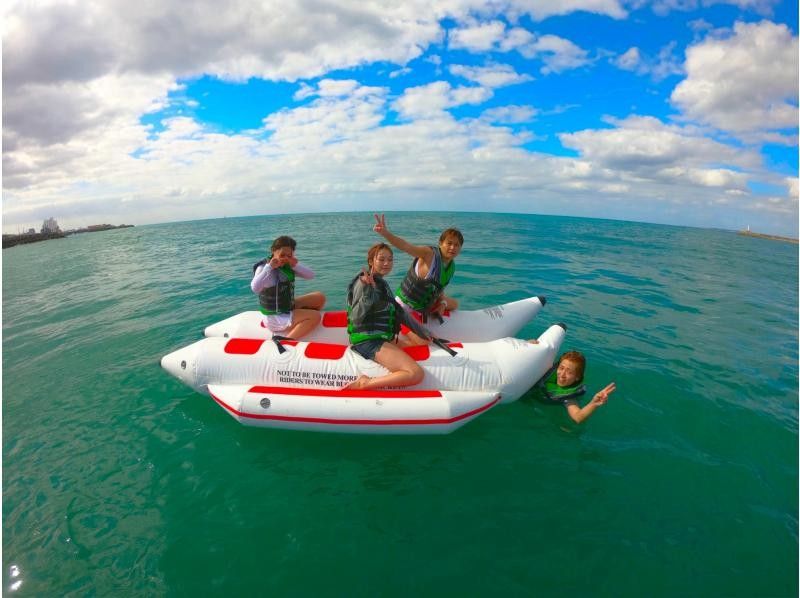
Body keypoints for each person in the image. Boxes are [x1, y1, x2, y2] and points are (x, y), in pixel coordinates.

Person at [342, 242, 424, 391]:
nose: (386, 263)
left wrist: (425, 332)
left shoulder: (381, 283)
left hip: (381, 337)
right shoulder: (364, 283)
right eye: (381, 259)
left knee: (421, 343)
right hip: (369, 341)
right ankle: (365, 383)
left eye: (390, 259)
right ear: (371, 261)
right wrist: (368, 293)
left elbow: (399, 312)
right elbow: (355, 317)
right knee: (416, 373)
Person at [372, 214, 462, 328]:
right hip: (405, 307)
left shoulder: (451, 266)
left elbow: (438, 290)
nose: (453, 248)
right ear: (440, 243)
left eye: (457, 245)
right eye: (449, 243)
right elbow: (405, 246)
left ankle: (436, 310)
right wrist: (385, 233)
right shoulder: (429, 254)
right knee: (425, 339)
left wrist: (442, 304)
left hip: (424, 308)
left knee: (454, 304)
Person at [250, 235, 325, 339]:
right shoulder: (263, 268)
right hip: (275, 318)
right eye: (282, 255)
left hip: (286, 307)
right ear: (273, 251)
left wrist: (295, 265)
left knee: (319, 297)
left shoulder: (287, 266)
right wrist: (269, 268)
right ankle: (287, 340)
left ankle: (302, 321)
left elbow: (311, 275)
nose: (285, 258)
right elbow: (255, 288)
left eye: (289, 256)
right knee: (316, 316)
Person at [527, 347, 616, 424]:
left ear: (577, 377)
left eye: (569, 372)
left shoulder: (568, 397)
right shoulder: (547, 370)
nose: (562, 375)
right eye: (561, 368)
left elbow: (578, 417)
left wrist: (594, 403)